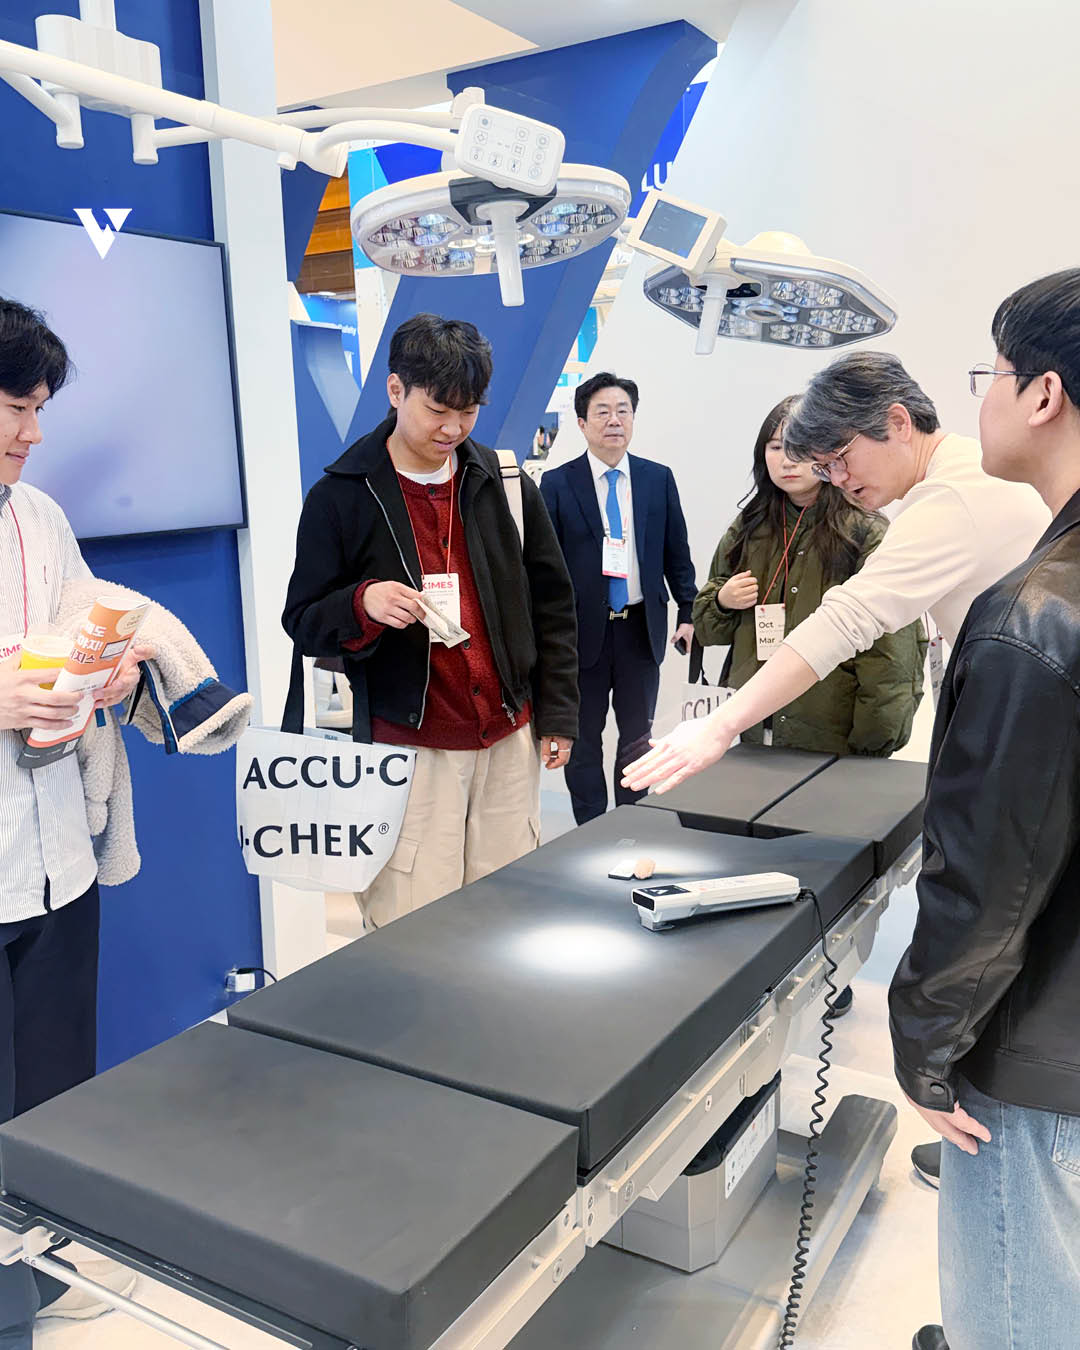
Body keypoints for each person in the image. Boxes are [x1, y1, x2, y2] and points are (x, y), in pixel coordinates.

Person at [623, 349, 1049, 1181]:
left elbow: (850, 621)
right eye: (820, 466)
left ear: (897, 422)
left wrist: (719, 728)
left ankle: (988, 1130)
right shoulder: (944, 489)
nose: (837, 479)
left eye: (841, 458)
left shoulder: (949, 500)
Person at [892, 270, 1080, 1350]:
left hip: (1038, 1061)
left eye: (993, 374)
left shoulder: (1032, 620)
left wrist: (925, 1044)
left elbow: (986, 880)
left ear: (1043, 393)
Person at [283, 313, 578, 928]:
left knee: (508, 922)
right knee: (414, 927)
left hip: (509, 740)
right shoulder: (342, 494)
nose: (453, 428)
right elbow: (303, 619)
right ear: (396, 390)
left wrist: (558, 713)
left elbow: (552, 605)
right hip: (410, 749)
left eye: (468, 411)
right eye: (438, 409)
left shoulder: (503, 481)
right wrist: (362, 603)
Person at [0, 299, 147, 1343]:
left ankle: (38, 1282)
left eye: (40, 408)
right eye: (16, 406)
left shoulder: (39, 517)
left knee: (56, 1096)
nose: (32, 432)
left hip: (58, 860)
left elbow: (87, 624)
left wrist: (113, 670)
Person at [693, 393, 926, 759]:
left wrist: (872, 742)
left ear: (828, 454)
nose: (787, 460)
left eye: (799, 448)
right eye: (775, 447)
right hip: (750, 728)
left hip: (831, 734)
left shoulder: (864, 532)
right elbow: (709, 633)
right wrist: (722, 602)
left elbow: (891, 654)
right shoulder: (749, 528)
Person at [539, 372, 696, 824]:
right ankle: (589, 828)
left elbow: (676, 553)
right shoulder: (557, 483)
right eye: (603, 412)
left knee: (637, 739)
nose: (614, 421)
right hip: (580, 635)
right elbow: (545, 568)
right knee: (584, 739)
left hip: (639, 631)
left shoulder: (656, 479)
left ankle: (631, 824)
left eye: (623, 411)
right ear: (582, 423)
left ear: (633, 419)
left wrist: (688, 611)